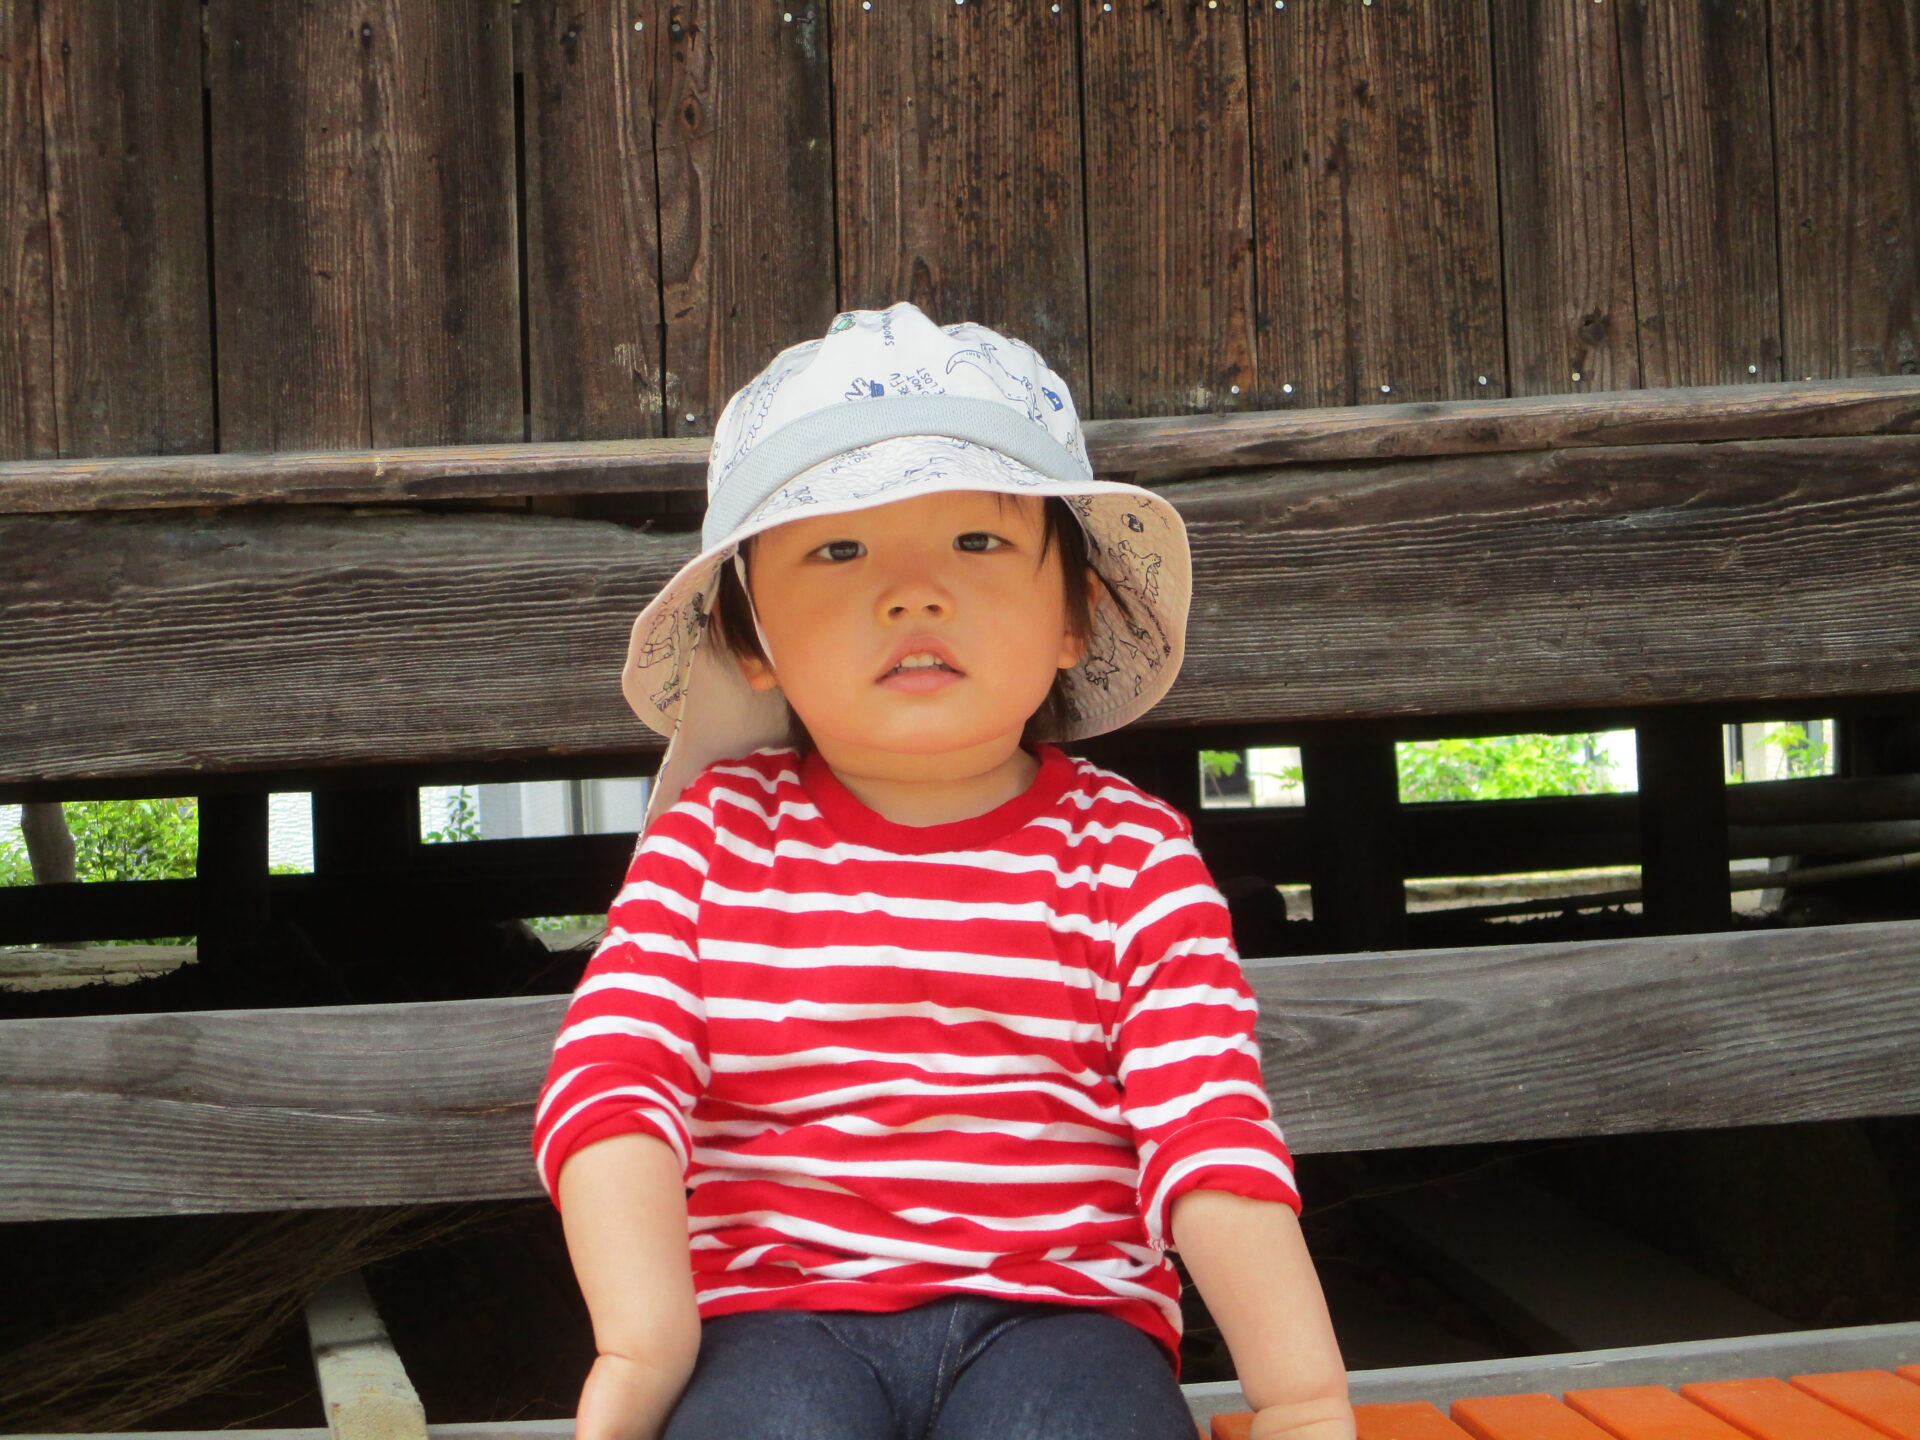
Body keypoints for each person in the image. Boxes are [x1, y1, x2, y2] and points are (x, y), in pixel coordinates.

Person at [531, 303, 1352, 1440]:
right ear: (753, 639)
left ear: (1076, 614)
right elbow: (611, 1082)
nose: (913, 591)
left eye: (977, 541)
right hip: (773, 1318)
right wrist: (643, 1338)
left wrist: (1301, 1397)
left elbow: (1209, 1131)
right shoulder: (713, 843)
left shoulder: (1133, 856)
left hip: (1063, 1323)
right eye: (838, 548)